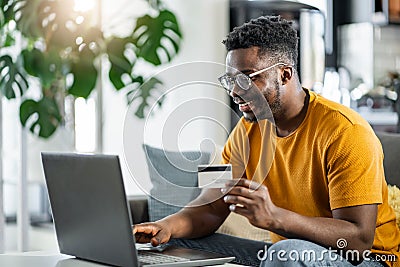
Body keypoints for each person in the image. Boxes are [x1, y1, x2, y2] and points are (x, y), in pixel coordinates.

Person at [134, 15, 400, 267]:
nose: (235, 91)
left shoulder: (346, 132)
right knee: (174, 242)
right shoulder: (246, 131)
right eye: (230, 79)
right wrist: (165, 226)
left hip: (367, 260)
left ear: (285, 75)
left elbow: (358, 240)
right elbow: (212, 208)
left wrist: (275, 217)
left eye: (247, 78)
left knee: (285, 253)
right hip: (286, 257)